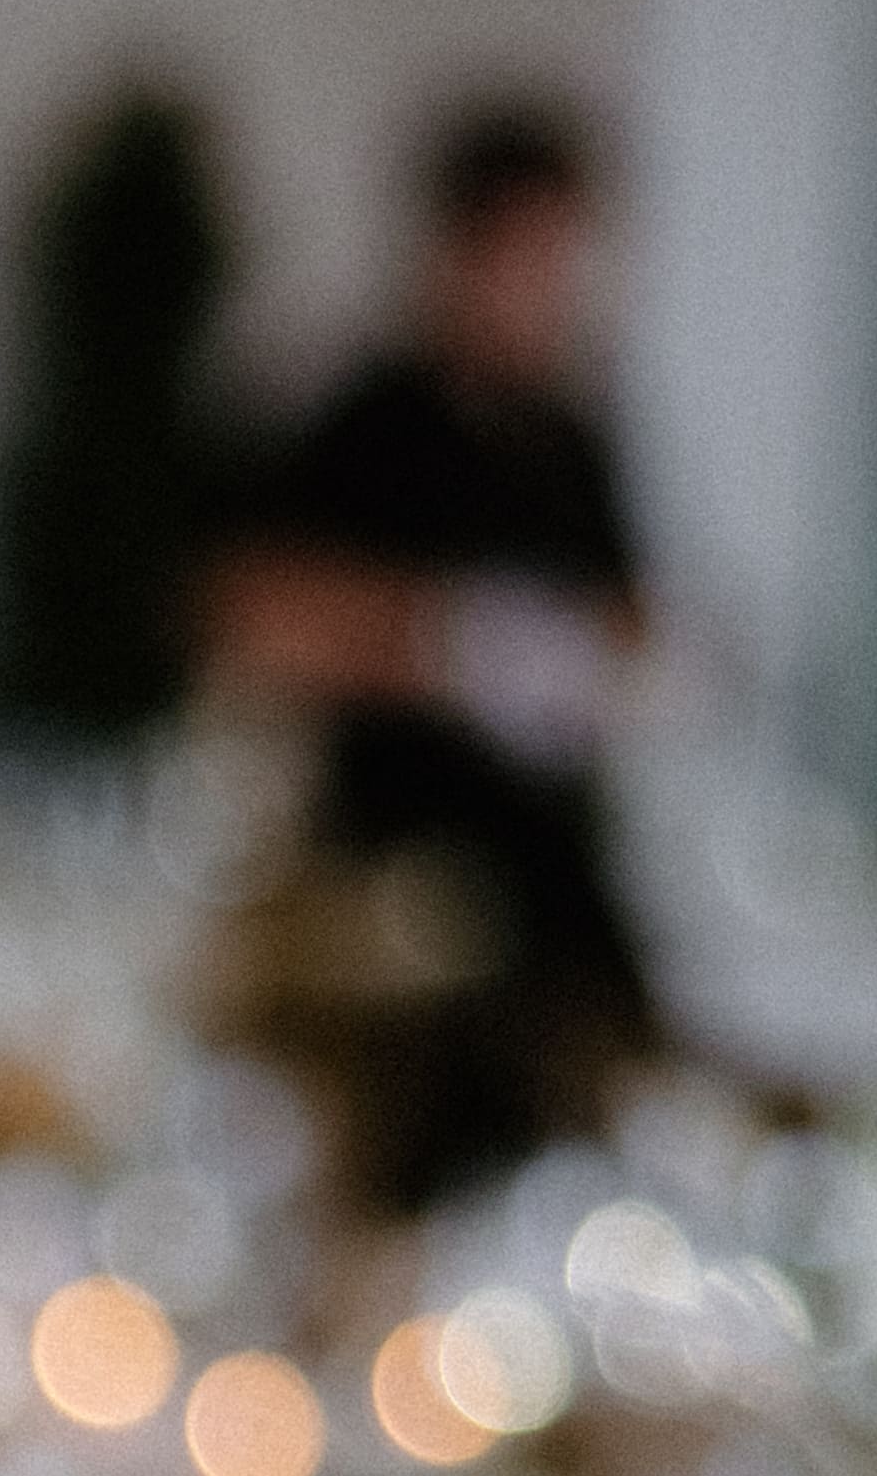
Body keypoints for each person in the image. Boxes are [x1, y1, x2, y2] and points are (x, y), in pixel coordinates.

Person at [211, 94, 656, 1193]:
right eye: (533, 261)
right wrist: (450, 647)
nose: (556, 292)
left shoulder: (568, 441)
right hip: (398, 870)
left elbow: (626, 617)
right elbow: (257, 614)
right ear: (461, 254)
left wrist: (607, 664)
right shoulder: (369, 426)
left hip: (552, 871)